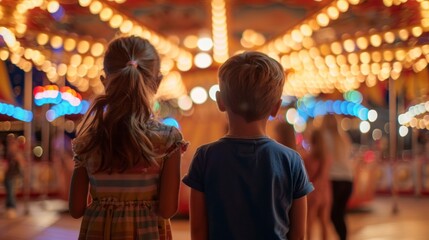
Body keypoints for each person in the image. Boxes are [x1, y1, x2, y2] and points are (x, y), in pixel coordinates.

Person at [183, 51, 314, 240]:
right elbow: (298, 235)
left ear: (220, 101)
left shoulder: (205, 157)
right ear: (276, 107)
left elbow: (197, 230)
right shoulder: (291, 160)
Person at [69, 36, 187, 240]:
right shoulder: (167, 140)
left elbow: (76, 208)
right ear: (157, 82)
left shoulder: (89, 141)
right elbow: (168, 210)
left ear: (104, 82)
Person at [322, 114, 354, 240]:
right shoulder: (343, 138)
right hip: (348, 178)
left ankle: (342, 237)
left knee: (333, 213)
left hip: (334, 179)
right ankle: (343, 236)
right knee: (340, 212)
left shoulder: (324, 137)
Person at [304, 127, 332, 240]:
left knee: (309, 224)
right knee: (324, 224)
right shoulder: (327, 158)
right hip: (325, 193)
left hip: (313, 193)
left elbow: (307, 178)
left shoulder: (308, 159)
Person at [3, 133, 24, 219]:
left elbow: (22, 164)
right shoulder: (9, 154)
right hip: (8, 176)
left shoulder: (17, 154)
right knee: (9, 192)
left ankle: (12, 209)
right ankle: (9, 208)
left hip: (13, 176)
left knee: (11, 192)